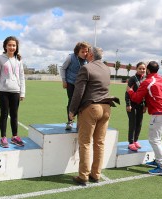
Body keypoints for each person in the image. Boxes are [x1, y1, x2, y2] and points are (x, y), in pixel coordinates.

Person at [69, 47, 119, 186]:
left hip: (91, 108)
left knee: (85, 142)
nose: (85, 54)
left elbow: (78, 92)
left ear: (90, 55)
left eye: (87, 52)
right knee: (99, 143)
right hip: (106, 108)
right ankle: (96, 174)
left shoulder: (86, 68)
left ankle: (83, 176)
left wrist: (72, 110)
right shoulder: (107, 69)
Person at [127, 61, 162, 176]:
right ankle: (158, 161)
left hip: (159, 113)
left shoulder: (147, 81)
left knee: (154, 140)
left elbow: (137, 98)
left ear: (148, 70)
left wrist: (130, 91)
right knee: (158, 138)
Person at [0, 36, 26, 148]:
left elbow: (22, 76)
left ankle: (15, 137)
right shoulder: (0, 58)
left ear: (16, 47)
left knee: (14, 115)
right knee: (4, 114)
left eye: (14, 45)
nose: (12, 47)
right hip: (3, 91)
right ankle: (3, 137)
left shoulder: (19, 60)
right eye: (9, 45)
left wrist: (22, 92)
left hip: (16, 91)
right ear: (5, 46)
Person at [60, 42, 90, 130]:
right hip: (70, 83)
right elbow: (62, 68)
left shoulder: (87, 59)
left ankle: (80, 122)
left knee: (82, 102)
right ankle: (70, 121)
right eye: (82, 52)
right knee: (72, 101)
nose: (85, 54)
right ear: (77, 51)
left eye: (86, 52)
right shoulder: (70, 57)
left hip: (82, 84)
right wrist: (64, 81)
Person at [125, 62, 146, 151]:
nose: (142, 70)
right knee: (132, 123)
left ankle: (136, 141)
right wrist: (128, 104)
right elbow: (127, 92)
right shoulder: (133, 79)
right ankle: (131, 143)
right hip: (132, 105)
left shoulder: (145, 79)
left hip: (141, 105)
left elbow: (146, 94)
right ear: (136, 69)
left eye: (143, 69)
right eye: (140, 68)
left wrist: (146, 105)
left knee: (139, 123)